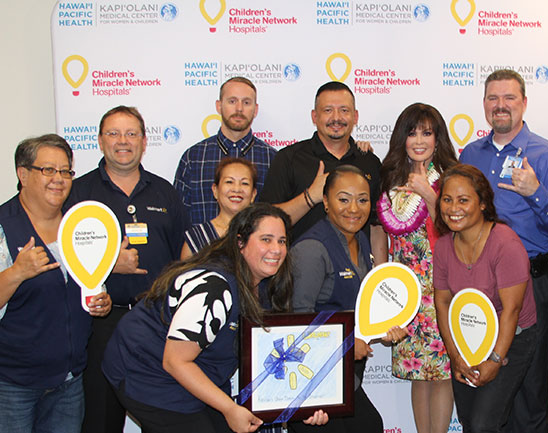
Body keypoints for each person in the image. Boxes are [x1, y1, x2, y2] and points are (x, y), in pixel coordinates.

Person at [102, 203, 328, 432]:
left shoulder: (267, 285)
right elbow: (175, 361)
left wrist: (304, 403)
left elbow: (273, 357)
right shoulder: (214, 287)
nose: (277, 249)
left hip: (199, 369)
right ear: (240, 243)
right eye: (266, 239)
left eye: (281, 241)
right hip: (147, 371)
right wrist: (229, 408)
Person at [459, 69, 548, 433]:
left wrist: (536, 193)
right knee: (485, 385)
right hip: (478, 286)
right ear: (484, 104)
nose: (500, 105)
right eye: (493, 98)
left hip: (529, 284)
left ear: (523, 103)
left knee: (529, 390)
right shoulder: (470, 154)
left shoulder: (546, 155)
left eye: (509, 98)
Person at [66, 106, 190, 433]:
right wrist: (108, 265)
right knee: (101, 418)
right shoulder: (78, 193)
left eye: (131, 134)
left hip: (155, 322)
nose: (123, 141)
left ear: (144, 141)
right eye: (114, 133)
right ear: (99, 141)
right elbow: (65, 259)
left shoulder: (165, 192)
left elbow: (182, 260)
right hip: (100, 323)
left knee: (160, 416)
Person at [0, 134, 111, 432]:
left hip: (69, 382)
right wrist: (17, 272)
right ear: (23, 174)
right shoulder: (3, 225)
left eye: (65, 171)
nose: (59, 179)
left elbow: (89, 283)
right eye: (48, 170)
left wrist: (101, 300)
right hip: (12, 386)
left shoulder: (80, 225)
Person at [291, 165, 405, 433]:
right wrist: (345, 345)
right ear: (326, 202)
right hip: (312, 378)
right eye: (343, 199)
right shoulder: (311, 249)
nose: (354, 209)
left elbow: (359, 306)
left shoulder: (361, 240)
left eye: (362, 200)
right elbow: (297, 322)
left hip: (344, 375)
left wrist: (381, 330)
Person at [432, 164, 537, 433]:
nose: (453, 208)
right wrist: (455, 355)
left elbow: (512, 310)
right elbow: (442, 303)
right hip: (468, 338)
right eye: (447, 199)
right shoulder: (443, 246)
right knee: (469, 421)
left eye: (463, 200)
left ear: (482, 203)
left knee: (483, 425)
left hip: (511, 338)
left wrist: (495, 359)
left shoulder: (505, 243)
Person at [377, 103, 459, 433]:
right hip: (404, 290)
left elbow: (456, 228)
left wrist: (428, 194)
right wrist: (381, 280)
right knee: (417, 371)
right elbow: (378, 231)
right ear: (402, 138)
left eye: (427, 133)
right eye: (412, 133)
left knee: (440, 371)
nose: (419, 140)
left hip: (440, 286)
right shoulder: (390, 177)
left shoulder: (451, 177)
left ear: (438, 139)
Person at [258, 81, 386, 263]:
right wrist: (309, 197)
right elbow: (265, 221)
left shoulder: (369, 162)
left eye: (344, 110)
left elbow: (376, 226)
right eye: (328, 110)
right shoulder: (289, 158)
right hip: (301, 270)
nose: (336, 118)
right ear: (314, 116)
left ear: (355, 116)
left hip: (358, 273)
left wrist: (379, 274)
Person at [175, 76, 276, 225]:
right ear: (219, 106)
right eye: (232, 101)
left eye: (246, 102)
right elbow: (178, 218)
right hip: (204, 241)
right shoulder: (194, 158)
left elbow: (277, 218)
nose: (239, 109)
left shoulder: (272, 159)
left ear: (255, 110)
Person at [181, 158, 258, 258]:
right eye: (229, 182)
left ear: (253, 194)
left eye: (244, 183)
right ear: (215, 190)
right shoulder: (197, 237)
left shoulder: (262, 235)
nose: (237, 189)